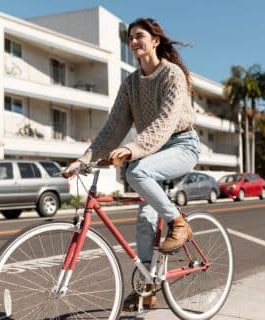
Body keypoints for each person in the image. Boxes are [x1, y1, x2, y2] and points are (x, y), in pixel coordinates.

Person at [65, 17, 200, 311]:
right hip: (151, 151)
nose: (134, 42)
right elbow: (113, 128)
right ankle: (148, 288)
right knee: (143, 220)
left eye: (139, 36)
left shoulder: (172, 75)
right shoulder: (130, 84)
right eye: (130, 38)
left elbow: (165, 124)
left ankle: (179, 223)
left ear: (155, 41)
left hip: (181, 144)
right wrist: (83, 159)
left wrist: (131, 149)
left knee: (137, 171)